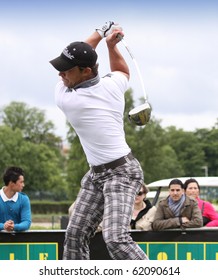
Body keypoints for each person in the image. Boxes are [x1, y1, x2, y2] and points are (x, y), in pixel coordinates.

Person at [49, 21, 148, 260]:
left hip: (122, 173)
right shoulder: (113, 85)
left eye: (66, 69)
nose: (61, 74)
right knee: (74, 234)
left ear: (85, 71)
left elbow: (110, 65)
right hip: (97, 175)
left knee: (116, 238)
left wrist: (100, 34)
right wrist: (111, 46)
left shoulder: (68, 99)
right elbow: (123, 72)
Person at [0, 166, 31, 232]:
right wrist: (3, 226)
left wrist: (14, 227)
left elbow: (27, 222)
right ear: (11, 183)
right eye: (21, 182)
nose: (23, 185)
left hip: (19, 241)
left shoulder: (24, 199)